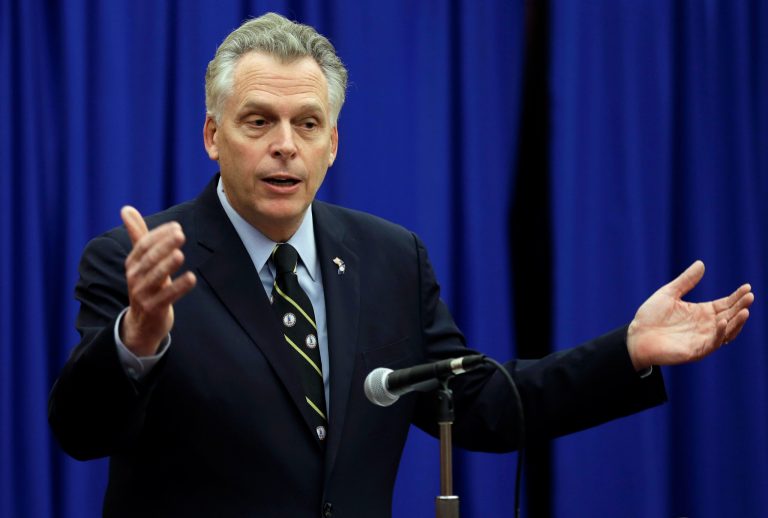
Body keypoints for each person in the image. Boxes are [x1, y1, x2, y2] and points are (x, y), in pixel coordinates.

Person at [48, 12, 754, 518]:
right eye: (258, 120)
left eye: (308, 124)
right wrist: (137, 340)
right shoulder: (138, 262)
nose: (285, 145)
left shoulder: (389, 258)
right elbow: (81, 435)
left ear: (333, 145)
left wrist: (626, 353)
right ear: (212, 135)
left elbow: (480, 406)